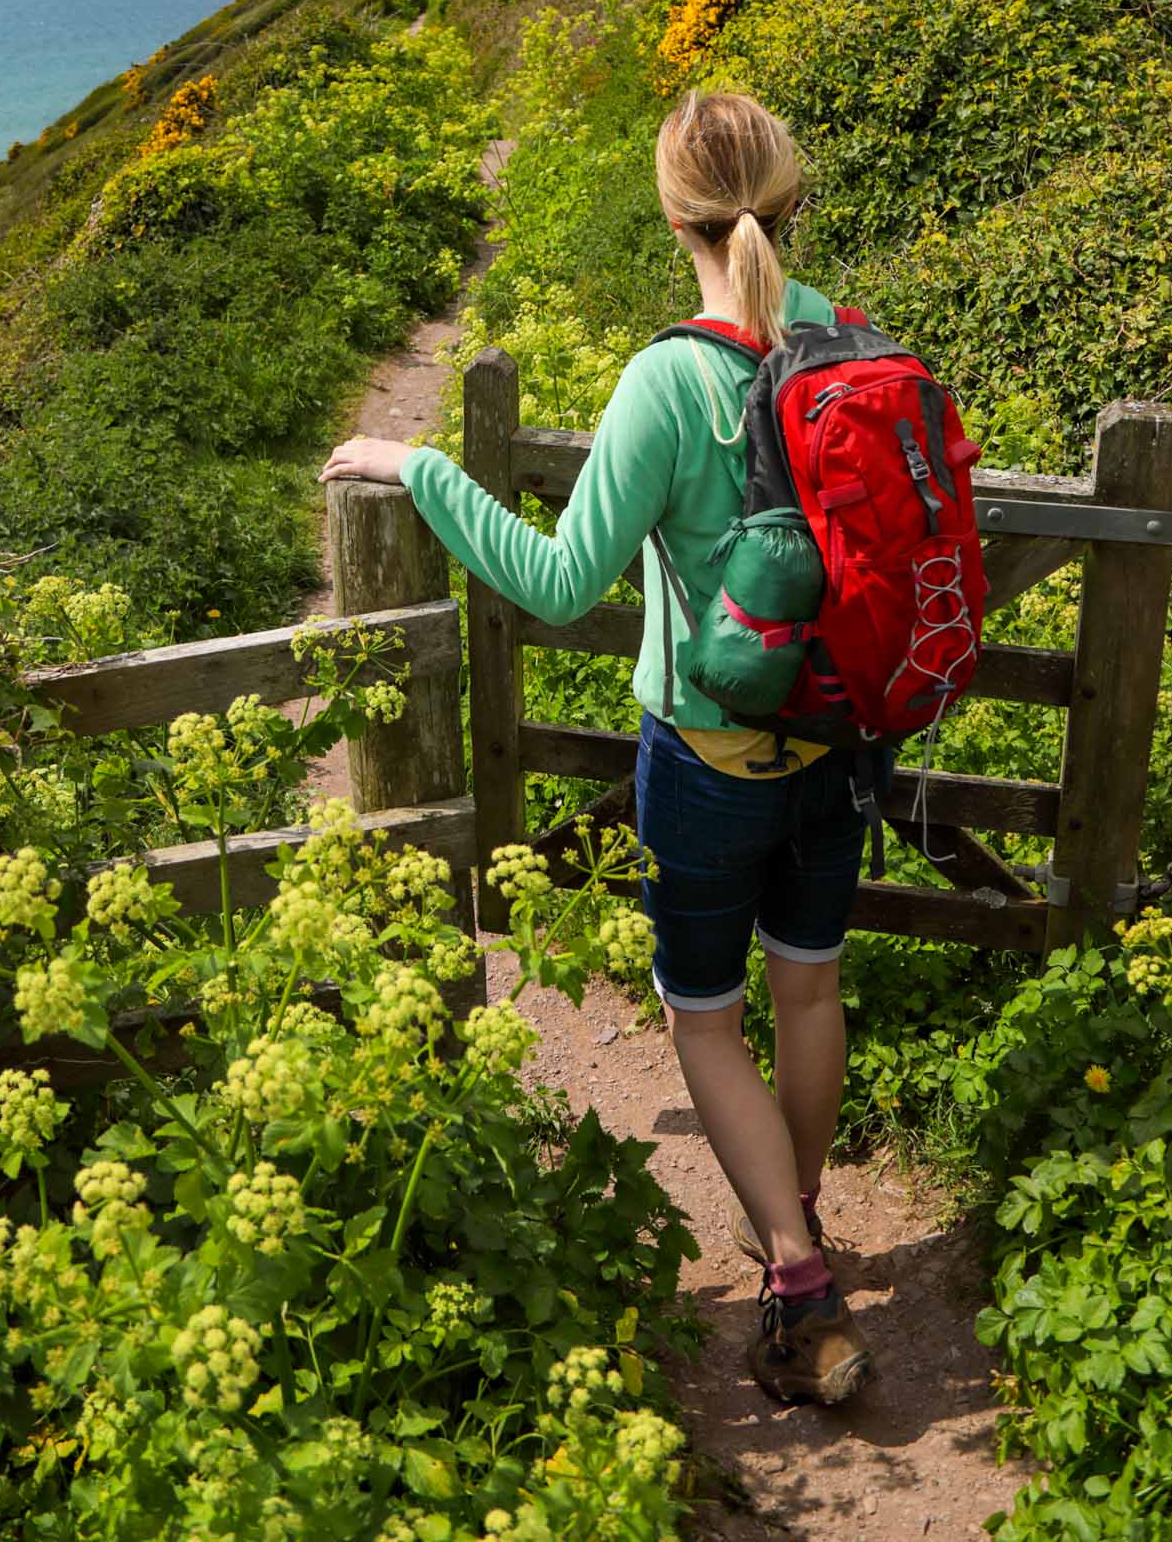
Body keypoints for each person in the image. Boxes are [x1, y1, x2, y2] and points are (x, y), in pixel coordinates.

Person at [320, 90, 875, 1407]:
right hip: (844, 743)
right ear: (789, 204)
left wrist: (426, 473)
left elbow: (563, 582)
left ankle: (794, 1272)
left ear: (672, 212)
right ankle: (791, 1207)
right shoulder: (852, 347)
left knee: (702, 1014)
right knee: (809, 990)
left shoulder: (669, 381)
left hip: (709, 755)